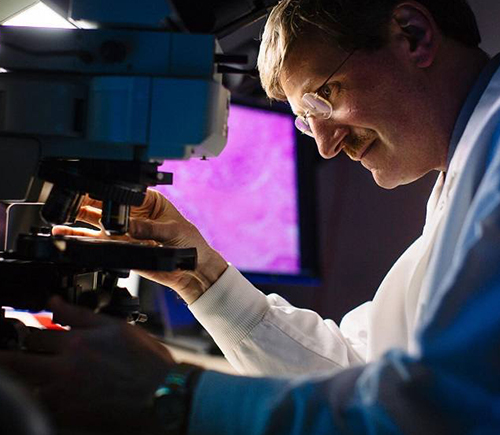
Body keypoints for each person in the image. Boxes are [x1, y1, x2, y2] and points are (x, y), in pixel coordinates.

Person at [2, 0, 500, 433]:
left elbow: (434, 418)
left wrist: (171, 392)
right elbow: (357, 373)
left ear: (412, 35)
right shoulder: (463, 178)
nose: (326, 146)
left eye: (324, 96)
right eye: (308, 120)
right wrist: (200, 275)